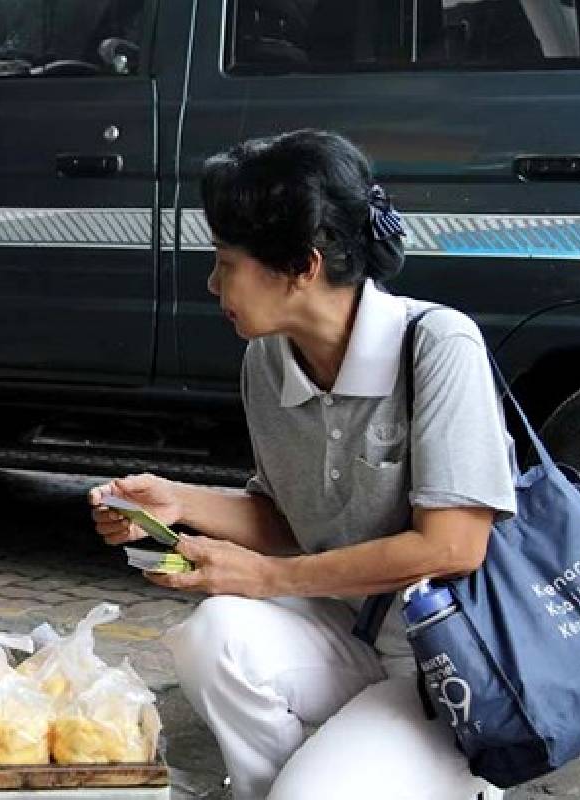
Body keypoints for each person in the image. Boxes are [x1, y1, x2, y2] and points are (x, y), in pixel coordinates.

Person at [89, 130, 515, 800]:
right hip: (347, 634)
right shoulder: (267, 359)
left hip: (446, 665)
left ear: (301, 266)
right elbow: (288, 519)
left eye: (225, 261)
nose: (211, 282)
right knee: (212, 639)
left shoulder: (437, 343)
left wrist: (267, 578)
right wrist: (178, 501)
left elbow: (455, 544)